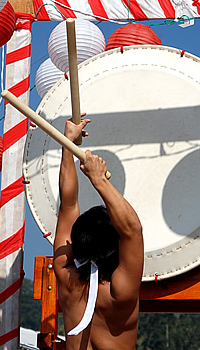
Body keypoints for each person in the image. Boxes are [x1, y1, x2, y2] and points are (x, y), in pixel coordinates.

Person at [53, 116, 144, 350]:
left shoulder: (66, 277)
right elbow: (132, 230)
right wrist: (99, 179)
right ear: (116, 247)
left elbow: (68, 205)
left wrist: (68, 145)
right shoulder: (120, 294)